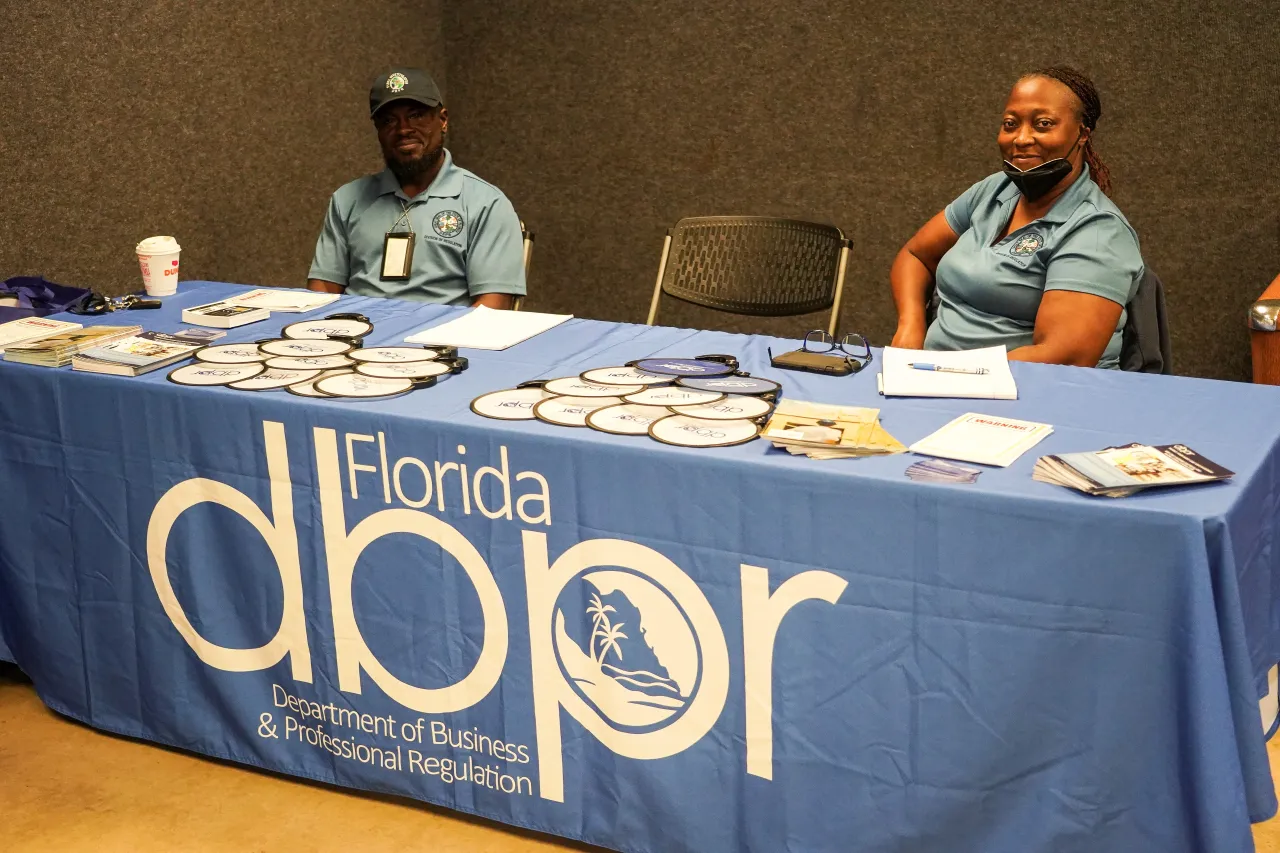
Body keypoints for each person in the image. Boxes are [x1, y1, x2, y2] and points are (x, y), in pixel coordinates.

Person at [890, 66, 1143, 369]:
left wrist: (947, 374)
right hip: (936, 379)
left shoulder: (1098, 231)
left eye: (1043, 124)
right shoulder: (994, 190)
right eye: (1010, 124)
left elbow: (1063, 358)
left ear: (1082, 134)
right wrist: (911, 326)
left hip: (1029, 395)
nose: (1021, 138)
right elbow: (915, 255)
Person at [307, 68, 526, 308]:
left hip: (439, 340)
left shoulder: (486, 204)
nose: (403, 130)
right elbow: (323, 291)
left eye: (416, 115)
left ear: (442, 120)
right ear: (378, 131)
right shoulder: (347, 199)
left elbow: (491, 308)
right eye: (389, 120)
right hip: (357, 335)